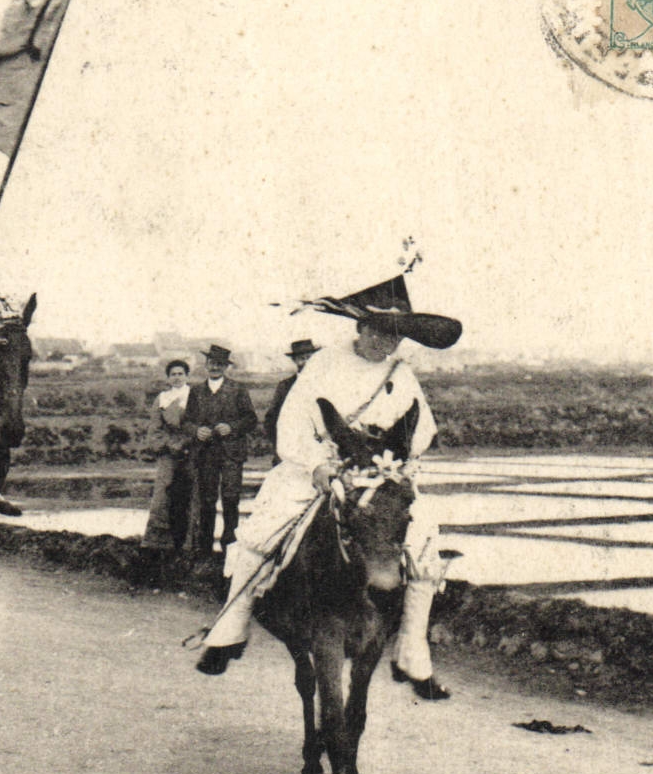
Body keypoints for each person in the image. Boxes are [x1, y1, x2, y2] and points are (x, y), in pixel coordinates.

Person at [195, 274, 462, 701]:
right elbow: (293, 423)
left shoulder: (401, 373)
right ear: (361, 328)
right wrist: (318, 464)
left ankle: (412, 650)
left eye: (396, 338)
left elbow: (423, 425)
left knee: (424, 541)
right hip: (321, 468)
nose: (387, 345)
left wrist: (399, 457)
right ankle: (230, 627)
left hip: (378, 472)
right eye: (380, 334)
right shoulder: (324, 364)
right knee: (263, 530)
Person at [184, 344, 258, 554]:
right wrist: (196, 431)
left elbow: (251, 419)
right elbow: (187, 421)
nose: (215, 367)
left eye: (219, 364)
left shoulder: (238, 389)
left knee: (231, 498)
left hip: (231, 454)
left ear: (226, 367)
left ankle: (230, 545)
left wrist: (231, 427)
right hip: (206, 454)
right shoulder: (196, 391)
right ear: (206, 365)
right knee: (207, 500)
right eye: (212, 363)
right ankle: (205, 547)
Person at [140, 359, 196, 553]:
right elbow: (154, 429)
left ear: (187, 376)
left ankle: (190, 543)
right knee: (163, 496)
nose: (177, 377)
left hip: (192, 453)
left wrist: (188, 444)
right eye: (173, 374)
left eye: (181, 374)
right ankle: (159, 543)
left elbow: (200, 424)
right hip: (169, 455)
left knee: (192, 496)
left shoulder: (195, 396)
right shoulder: (162, 398)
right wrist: (170, 445)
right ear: (168, 377)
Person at [263, 338, 319, 462]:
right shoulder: (285, 386)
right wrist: (280, 444)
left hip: (318, 449)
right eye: (301, 358)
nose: (305, 362)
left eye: (309, 358)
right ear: (294, 360)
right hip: (291, 448)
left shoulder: (324, 384)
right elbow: (271, 419)